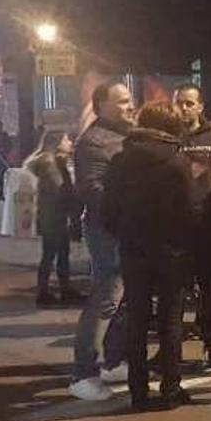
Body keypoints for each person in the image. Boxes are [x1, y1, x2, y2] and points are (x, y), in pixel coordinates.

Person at [102, 101, 200, 412]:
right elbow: (190, 211)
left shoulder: (121, 160)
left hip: (133, 249)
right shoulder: (177, 162)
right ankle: (171, 387)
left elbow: (107, 211)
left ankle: (138, 390)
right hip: (171, 250)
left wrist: (125, 232)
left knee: (137, 319)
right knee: (171, 321)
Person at [69, 81, 135, 401]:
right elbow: (92, 190)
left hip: (125, 228)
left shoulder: (124, 134)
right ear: (101, 105)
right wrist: (130, 206)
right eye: (121, 101)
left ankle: (114, 360)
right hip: (107, 229)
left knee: (122, 297)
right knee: (105, 297)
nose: (129, 105)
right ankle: (84, 372)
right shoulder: (94, 142)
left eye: (128, 99)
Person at [173, 82, 211, 367]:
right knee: (174, 292)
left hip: (210, 226)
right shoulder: (168, 137)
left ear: (200, 107)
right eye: (180, 103)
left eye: (189, 103)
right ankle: (170, 349)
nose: (184, 108)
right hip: (176, 228)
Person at [25, 130, 84, 307]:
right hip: (54, 217)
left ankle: (63, 289)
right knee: (51, 254)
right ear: (57, 142)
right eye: (66, 140)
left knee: (59, 254)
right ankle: (45, 294)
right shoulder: (49, 164)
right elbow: (60, 190)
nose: (70, 143)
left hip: (54, 216)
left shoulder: (54, 161)